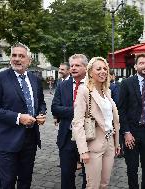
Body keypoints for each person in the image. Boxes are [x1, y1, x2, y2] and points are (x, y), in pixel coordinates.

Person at [0, 43, 47, 189]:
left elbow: (41, 103)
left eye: (21, 56)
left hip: (30, 139)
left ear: (29, 61)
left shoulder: (35, 79)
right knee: (8, 182)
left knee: (25, 181)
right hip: (7, 140)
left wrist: (41, 114)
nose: (17, 59)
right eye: (14, 55)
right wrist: (18, 117)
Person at [72, 57, 121, 189]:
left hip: (109, 142)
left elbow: (112, 119)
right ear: (90, 72)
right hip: (94, 144)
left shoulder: (107, 92)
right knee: (92, 185)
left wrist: (116, 143)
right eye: (98, 68)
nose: (103, 71)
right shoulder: (84, 90)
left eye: (105, 68)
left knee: (104, 184)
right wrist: (82, 151)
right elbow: (77, 123)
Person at [118, 54, 145, 189]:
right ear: (135, 66)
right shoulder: (127, 83)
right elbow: (120, 110)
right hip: (131, 132)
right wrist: (126, 132)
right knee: (132, 168)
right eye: (141, 63)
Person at [51, 54, 87, 189]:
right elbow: (55, 108)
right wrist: (78, 110)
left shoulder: (92, 85)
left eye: (77, 65)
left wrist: (67, 111)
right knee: (66, 175)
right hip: (67, 136)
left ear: (85, 67)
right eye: (72, 66)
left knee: (88, 176)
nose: (73, 68)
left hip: (88, 137)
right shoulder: (62, 85)